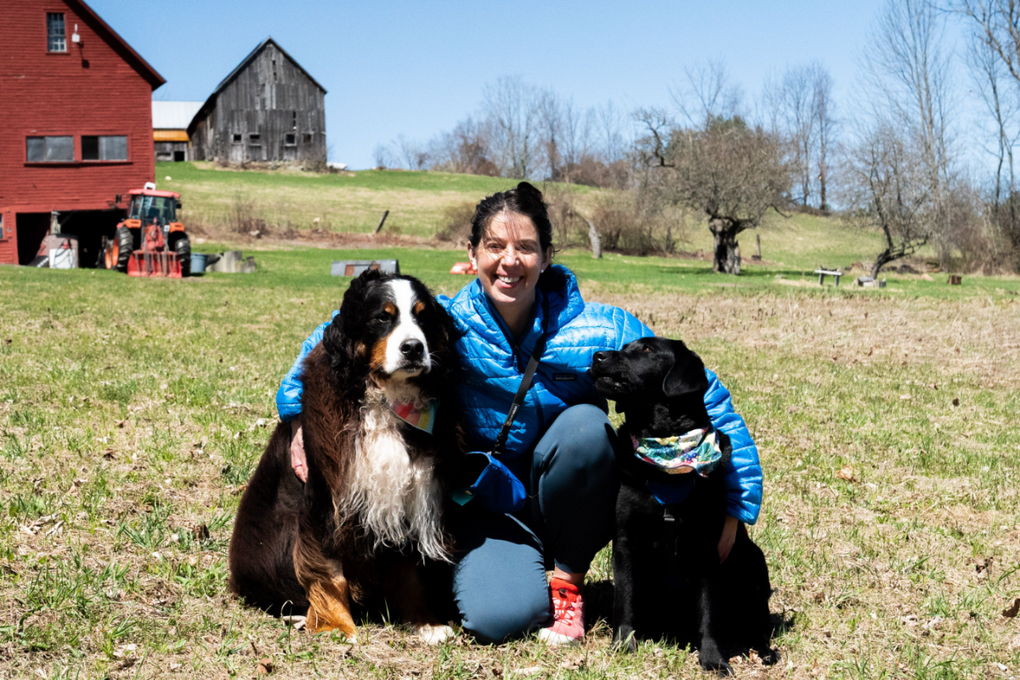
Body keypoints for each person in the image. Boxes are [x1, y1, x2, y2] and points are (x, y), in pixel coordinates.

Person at [276, 182, 763, 645]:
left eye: (526, 247)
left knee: (585, 430)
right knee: (496, 617)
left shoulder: (601, 328)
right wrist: (300, 419)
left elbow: (708, 399)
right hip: (491, 507)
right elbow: (332, 337)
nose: (510, 261)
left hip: (577, 500)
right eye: (494, 246)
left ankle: (569, 581)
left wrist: (735, 506)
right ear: (472, 255)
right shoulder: (445, 324)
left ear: (547, 257)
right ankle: (516, 573)